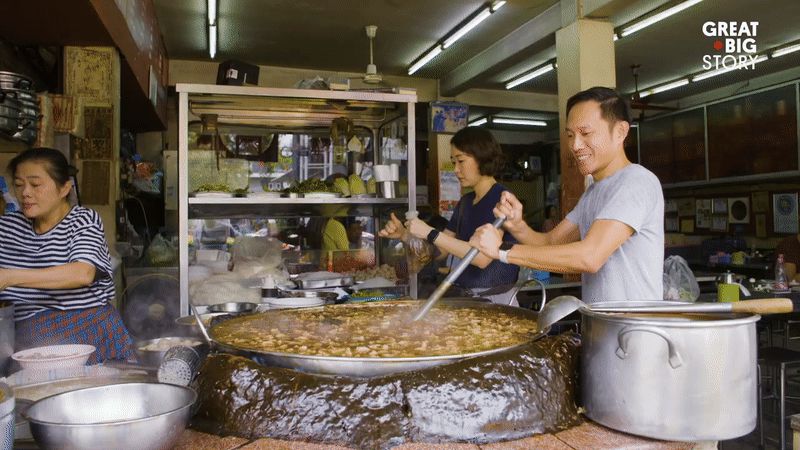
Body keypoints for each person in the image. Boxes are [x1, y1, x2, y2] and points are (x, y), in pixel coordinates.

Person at [469, 87, 664, 304]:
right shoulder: (593, 191)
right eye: (570, 135)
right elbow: (550, 242)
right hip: (601, 328)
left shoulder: (635, 181)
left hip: (635, 333)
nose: (575, 145)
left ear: (620, 131)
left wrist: (502, 250)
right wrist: (517, 226)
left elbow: (590, 257)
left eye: (586, 133)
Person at [0, 148, 135, 363]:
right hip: (29, 345)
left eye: (35, 185)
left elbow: (83, 273)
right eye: (19, 185)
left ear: (64, 188)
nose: (25, 192)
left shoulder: (82, 220)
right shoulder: (8, 227)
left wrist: (9, 277)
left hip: (90, 336)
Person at [379, 126, 519, 304]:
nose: (456, 170)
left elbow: (482, 258)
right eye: (454, 162)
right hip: (466, 298)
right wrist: (406, 236)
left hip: (495, 299)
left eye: (461, 161)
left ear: (482, 157)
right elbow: (439, 252)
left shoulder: (502, 200)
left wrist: (430, 232)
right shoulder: (465, 203)